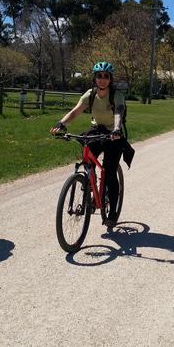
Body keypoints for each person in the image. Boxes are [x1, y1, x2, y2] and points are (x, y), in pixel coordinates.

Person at [50, 62, 127, 227]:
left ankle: (112, 212)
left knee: (110, 171)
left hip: (113, 134)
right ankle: (89, 187)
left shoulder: (116, 95)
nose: (102, 80)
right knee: (87, 157)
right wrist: (61, 123)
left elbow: (118, 113)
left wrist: (116, 129)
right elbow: (75, 111)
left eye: (106, 76)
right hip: (97, 131)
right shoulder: (90, 94)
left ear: (110, 79)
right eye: (99, 76)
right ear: (95, 78)